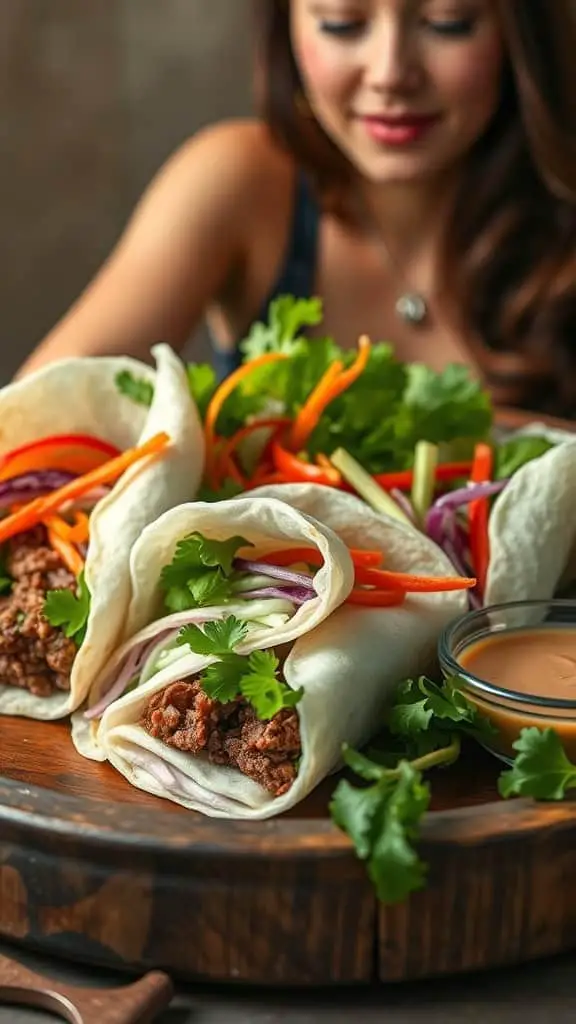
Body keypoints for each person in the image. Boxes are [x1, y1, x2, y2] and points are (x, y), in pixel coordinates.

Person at [17, 0, 576, 414]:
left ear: (518, 32)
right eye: (341, 23)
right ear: (286, 25)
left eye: (447, 22)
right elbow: (31, 428)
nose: (390, 74)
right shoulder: (241, 183)